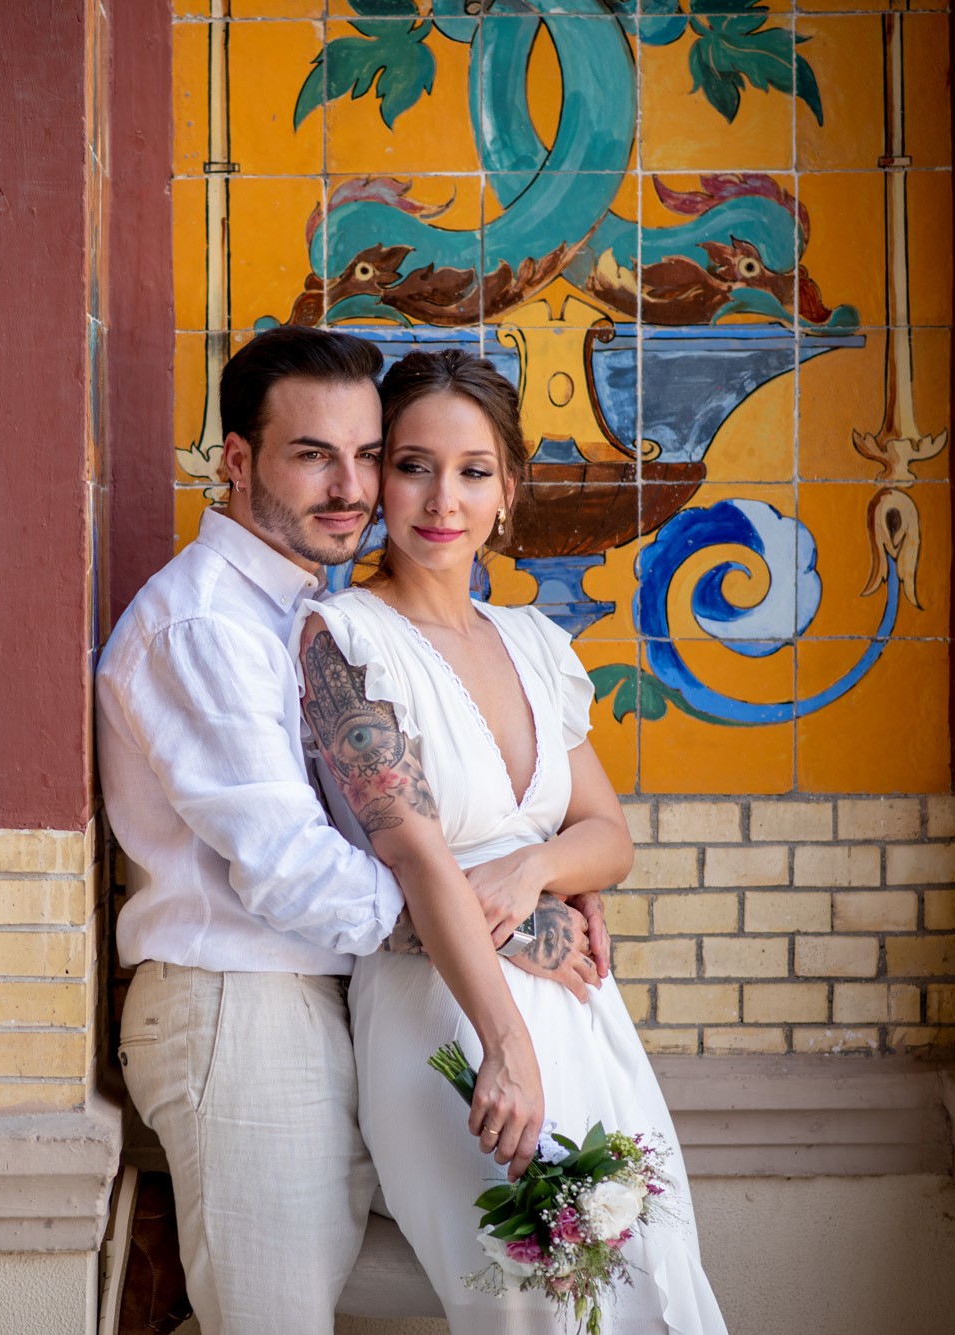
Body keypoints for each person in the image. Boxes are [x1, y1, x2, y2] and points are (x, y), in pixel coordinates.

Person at [97, 327, 611, 1335]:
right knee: (280, 1316)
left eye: (367, 455)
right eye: (310, 455)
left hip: (333, 999)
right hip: (236, 1005)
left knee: (497, 1267)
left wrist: (536, 864)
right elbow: (292, 873)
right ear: (237, 461)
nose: (351, 487)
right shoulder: (204, 625)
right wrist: (510, 923)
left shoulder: (299, 613)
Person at [299, 348, 728, 1334]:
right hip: (448, 1023)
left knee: (648, 1289)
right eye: (411, 465)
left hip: (581, 1021)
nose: (440, 498)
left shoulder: (534, 642)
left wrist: (530, 866)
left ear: (508, 492)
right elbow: (411, 859)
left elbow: (606, 837)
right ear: (375, 481)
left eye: (471, 470)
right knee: (533, 1304)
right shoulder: (344, 639)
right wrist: (504, 1047)